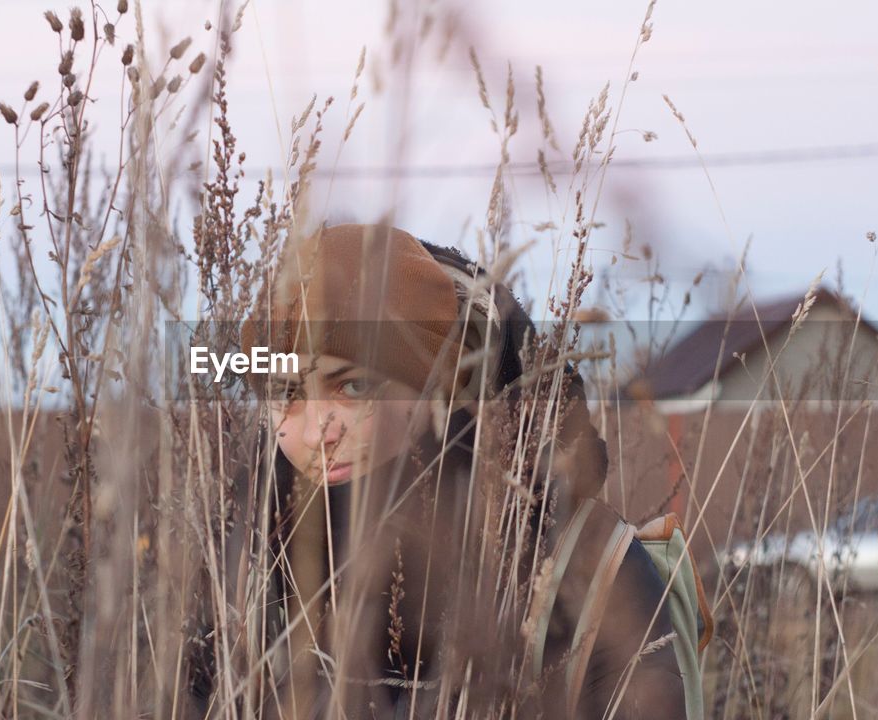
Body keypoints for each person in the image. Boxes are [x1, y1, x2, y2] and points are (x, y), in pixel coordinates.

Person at [207, 223, 685, 718]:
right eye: (286, 394)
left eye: (352, 388)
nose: (316, 432)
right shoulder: (247, 568)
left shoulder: (582, 565)